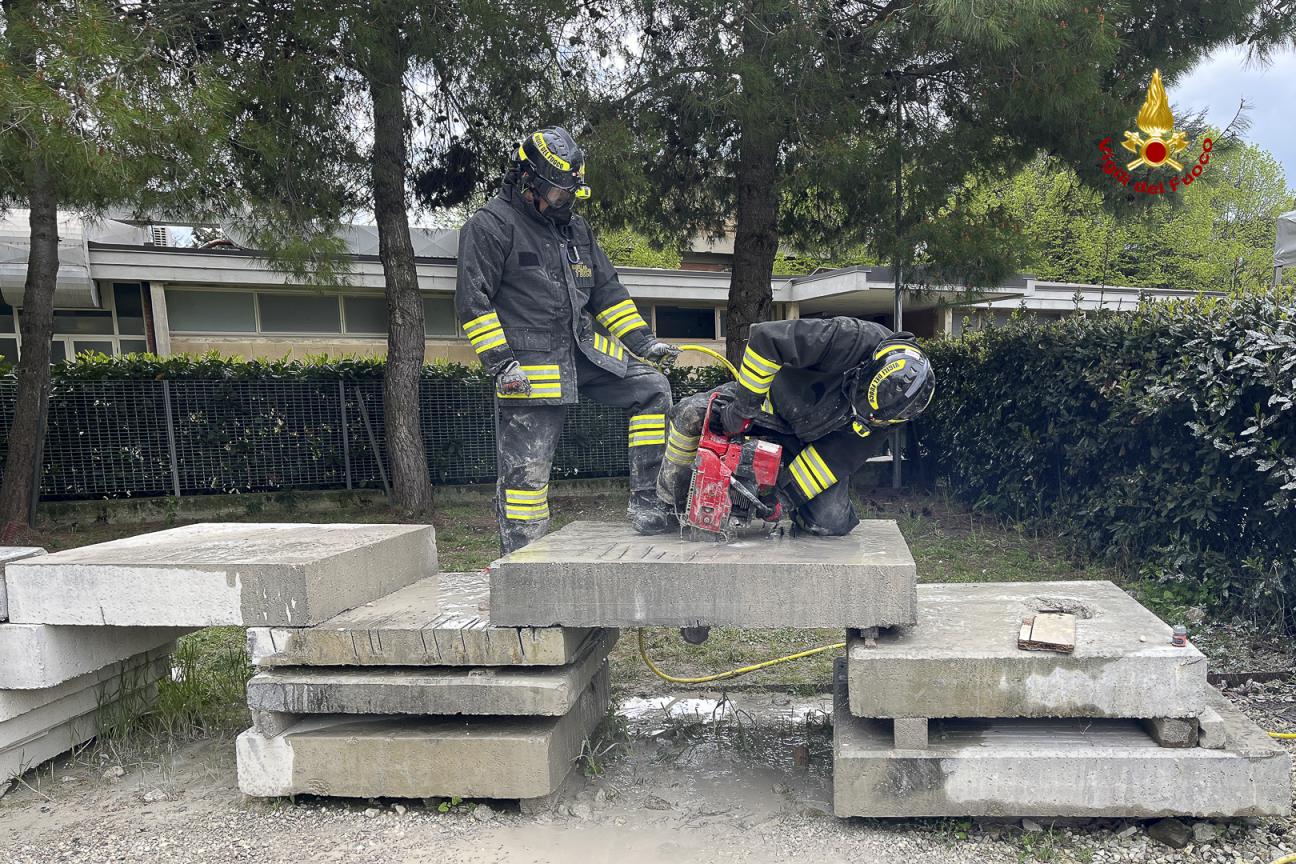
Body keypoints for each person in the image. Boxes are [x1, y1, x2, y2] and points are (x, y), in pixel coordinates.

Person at [456, 126, 680, 554]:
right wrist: (503, 364)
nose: (565, 200)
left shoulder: (576, 230)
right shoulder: (491, 226)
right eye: (557, 193)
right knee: (527, 478)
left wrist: (645, 343)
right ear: (528, 180)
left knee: (651, 388)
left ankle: (650, 502)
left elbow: (607, 293)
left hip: (581, 351)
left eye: (570, 192)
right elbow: (473, 301)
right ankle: (523, 563)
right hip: (529, 369)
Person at [657, 316, 935, 537]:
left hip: (810, 443)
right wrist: (742, 409)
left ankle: (795, 509)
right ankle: (669, 503)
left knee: (830, 522)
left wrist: (782, 499)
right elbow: (766, 340)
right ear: (869, 367)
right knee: (689, 414)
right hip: (768, 405)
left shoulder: (891, 411)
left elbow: (831, 461)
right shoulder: (849, 337)